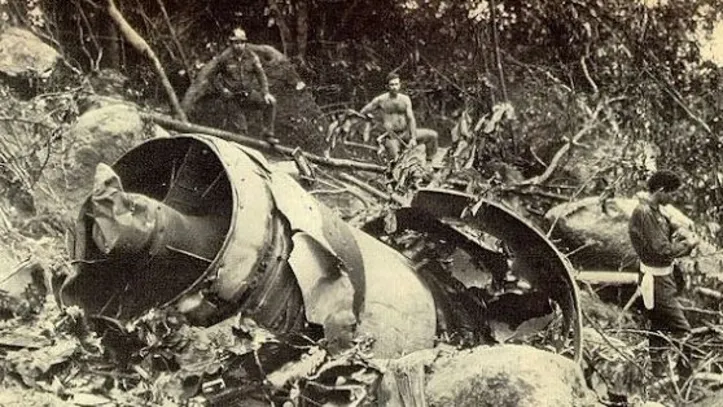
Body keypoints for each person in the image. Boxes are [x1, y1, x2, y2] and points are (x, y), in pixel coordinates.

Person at [628, 170, 699, 378]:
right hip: (656, 279)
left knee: (658, 328)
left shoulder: (656, 211)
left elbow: (666, 235)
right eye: (671, 193)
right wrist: (687, 244)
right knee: (683, 330)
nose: (672, 198)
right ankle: (686, 378)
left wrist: (679, 233)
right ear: (660, 190)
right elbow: (662, 251)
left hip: (663, 278)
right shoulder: (644, 213)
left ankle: (658, 377)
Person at [214, 27, 278, 144]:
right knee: (242, 133)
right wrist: (223, 90)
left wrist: (265, 93)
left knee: (271, 102)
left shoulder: (252, 57)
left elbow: (261, 76)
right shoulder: (224, 58)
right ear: (231, 43)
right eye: (236, 43)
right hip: (232, 98)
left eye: (242, 42)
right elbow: (213, 77)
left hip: (248, 95)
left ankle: (268, 134)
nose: (239, 45)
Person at [360, 72, 438, 161]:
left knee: (432, 136)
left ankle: (430, 162)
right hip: (391, 137)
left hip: (405, 133)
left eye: (396, 84)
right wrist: (371, 121)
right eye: (392, 85)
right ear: (387, 87)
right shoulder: (380, 100)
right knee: (396, 160)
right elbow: (363, 112)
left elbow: (411, 119)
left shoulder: (405, 99)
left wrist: (413, 138)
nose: (394, 87)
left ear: (400, 85)